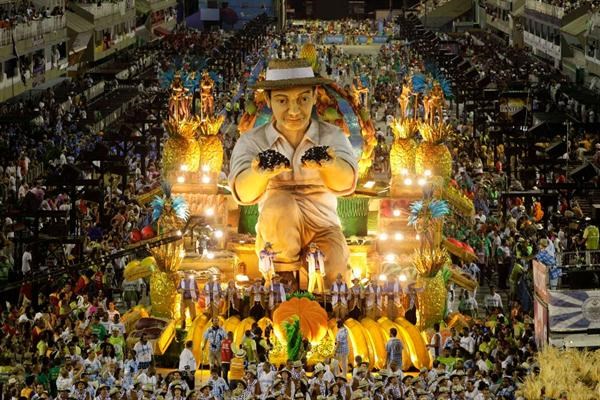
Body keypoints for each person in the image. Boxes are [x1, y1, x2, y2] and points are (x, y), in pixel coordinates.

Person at [228, 58, 358, 285]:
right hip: (277, 232)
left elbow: (346, 183)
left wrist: (329, 164)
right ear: (268, 100)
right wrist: (260, 173)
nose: (294, 110)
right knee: (280, 203)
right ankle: (283, 281)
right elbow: (243, 192)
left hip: (324, 228)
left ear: (316, 96)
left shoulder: (332, 137)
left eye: (303, 99)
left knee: (332, 276)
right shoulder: (252, 141)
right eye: (283, 101)